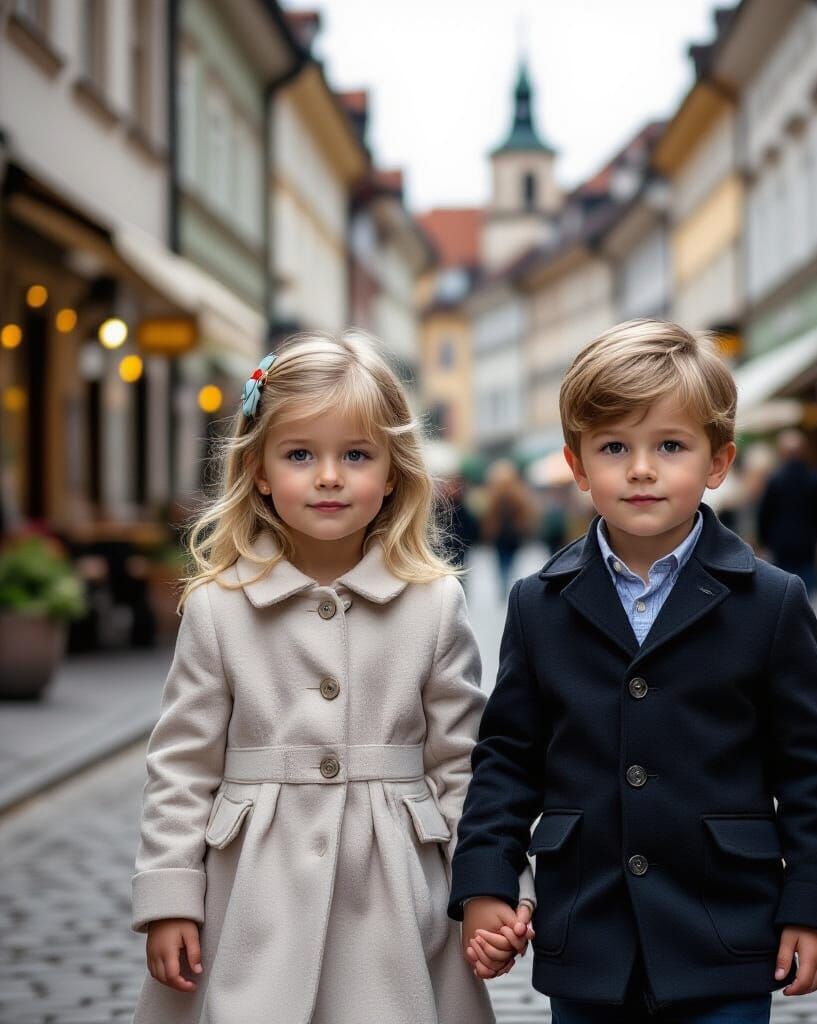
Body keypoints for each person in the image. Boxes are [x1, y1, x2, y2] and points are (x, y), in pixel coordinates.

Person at [449, 320, 817, 1023]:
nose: (641, 469)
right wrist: (487, 880)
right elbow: (507, 760)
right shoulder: (540, 604)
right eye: (614, 447)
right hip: (587, 935)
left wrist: (815, 907)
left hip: (723, 932)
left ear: (718, 462)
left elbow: (812, 771)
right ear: (577, 468)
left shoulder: (771, 602)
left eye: (670, 446)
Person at [130, 331, 534, 1024]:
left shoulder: (433, 605)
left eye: (355, 455)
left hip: (395, 889)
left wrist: (491, 887)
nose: (328, 476)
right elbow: (182, 767)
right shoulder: (219, 607)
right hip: (251, 890)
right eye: (300, 455)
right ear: (258, 470)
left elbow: (465, 765)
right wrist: (168, 898)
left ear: (393, 471)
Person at [756, 430, 817, 598]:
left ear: (783, 453)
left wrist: (763, 541)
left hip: (781, 546)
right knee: (806, 594)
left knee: (782, 593)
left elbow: (764, 514)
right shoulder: (816, 480)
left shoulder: (775, 480)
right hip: (808, 547)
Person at [480, 458, 536, 599]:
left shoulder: (499, 496)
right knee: (506, 562)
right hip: (508, 535)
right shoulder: (513, 496)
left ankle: (504, 584)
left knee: (503, 562)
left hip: (506, 536)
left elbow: (489, 517)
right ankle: (505, 583)